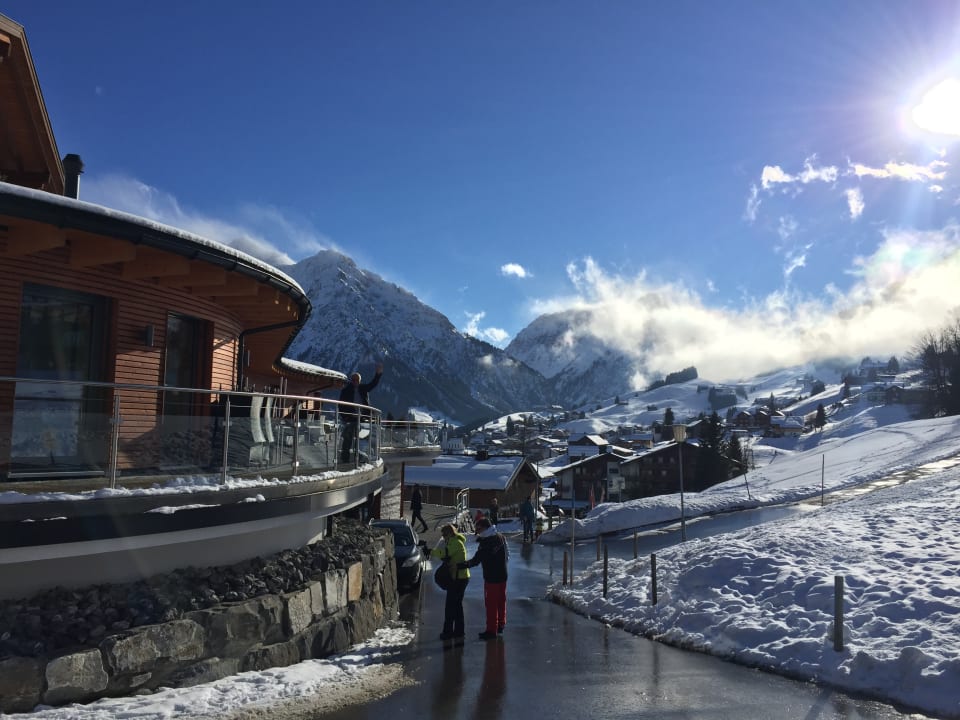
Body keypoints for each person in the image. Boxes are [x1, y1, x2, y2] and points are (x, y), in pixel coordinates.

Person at [458, 516, 508, 640]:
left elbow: (477, 559)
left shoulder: (487, 542)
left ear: (485, 528)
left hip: (492, 577)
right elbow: (507, 555)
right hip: (503, 574)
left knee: (491, 603)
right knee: (501, 601)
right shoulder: (500, 537)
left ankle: (491, 630)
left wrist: (464, 565)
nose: (478, 532)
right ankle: (501, 624)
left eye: (479, 529)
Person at [338, 362, 383, 463]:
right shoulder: (346, 390)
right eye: (353, 380)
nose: (354, 381)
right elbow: (340, 405)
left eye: (356, 380)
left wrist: (378, 374)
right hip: (351, 418)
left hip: (363, 418)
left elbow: (373, 384)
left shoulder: (363, 388)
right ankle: (345, 458)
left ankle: (363, 458)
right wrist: (345, 417)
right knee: (348, 438)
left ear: (359, 381)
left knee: (364, 438)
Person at [431, 523, 470, 640]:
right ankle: (459, 631)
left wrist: (431, 551)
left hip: (458, 578)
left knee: (450, 606)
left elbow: (445, 553)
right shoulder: (453, 542)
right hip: (459, 577)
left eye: (444, 534)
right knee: (457, 606)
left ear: (449, 533)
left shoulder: (455, 543)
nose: (443, 537)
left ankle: (448, 632)